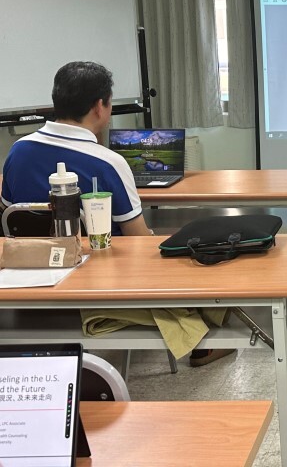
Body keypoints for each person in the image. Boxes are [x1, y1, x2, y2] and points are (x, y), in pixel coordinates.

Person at [1, 61, 233, 367]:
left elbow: (9, 215)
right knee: (190, 254)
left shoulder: (17, 151)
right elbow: (139, 240)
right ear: (100, 107)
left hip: (33, 279)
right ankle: (203, 342)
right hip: (98, 283)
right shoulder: (107, 162)